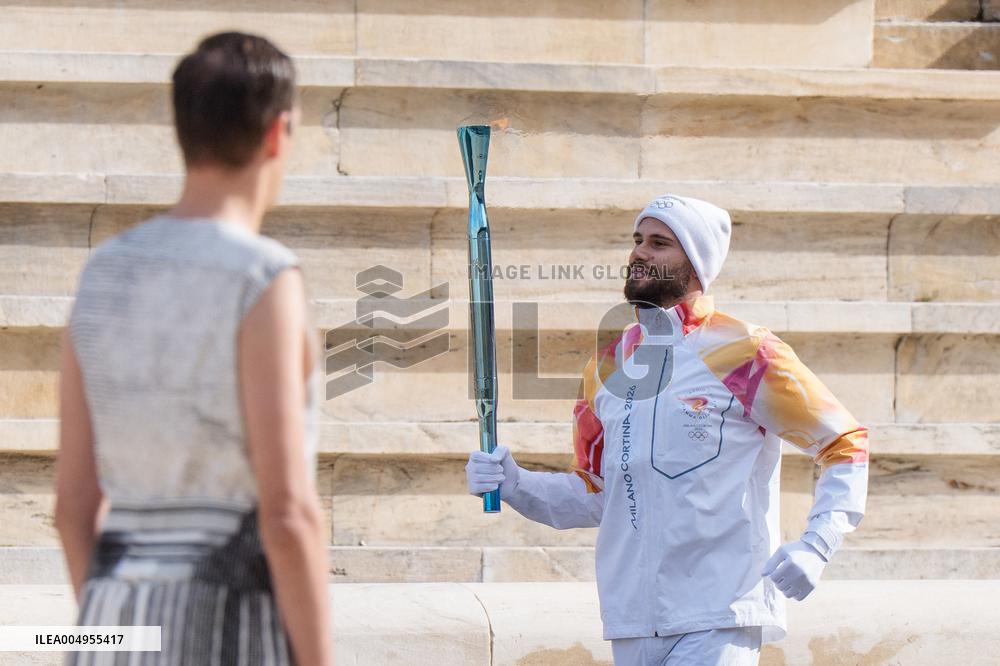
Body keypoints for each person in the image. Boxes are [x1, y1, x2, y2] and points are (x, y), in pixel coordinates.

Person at [466, 194, 869, 665]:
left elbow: (844, 443)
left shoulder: (744, 349)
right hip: (631, 618)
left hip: (719, 611)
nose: (639, 252)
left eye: (659, 243)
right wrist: (517, 485)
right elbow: (597, 494)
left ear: (695, 264)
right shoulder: (606, 367)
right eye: (638, 240)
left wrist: (817, 545)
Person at [56, 32, 332, 665]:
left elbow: (73, 506)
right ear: (277, 132)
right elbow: (286, 514)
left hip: (109, 626)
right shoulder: (263, 278)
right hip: (230, 627)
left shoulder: (102, 274)